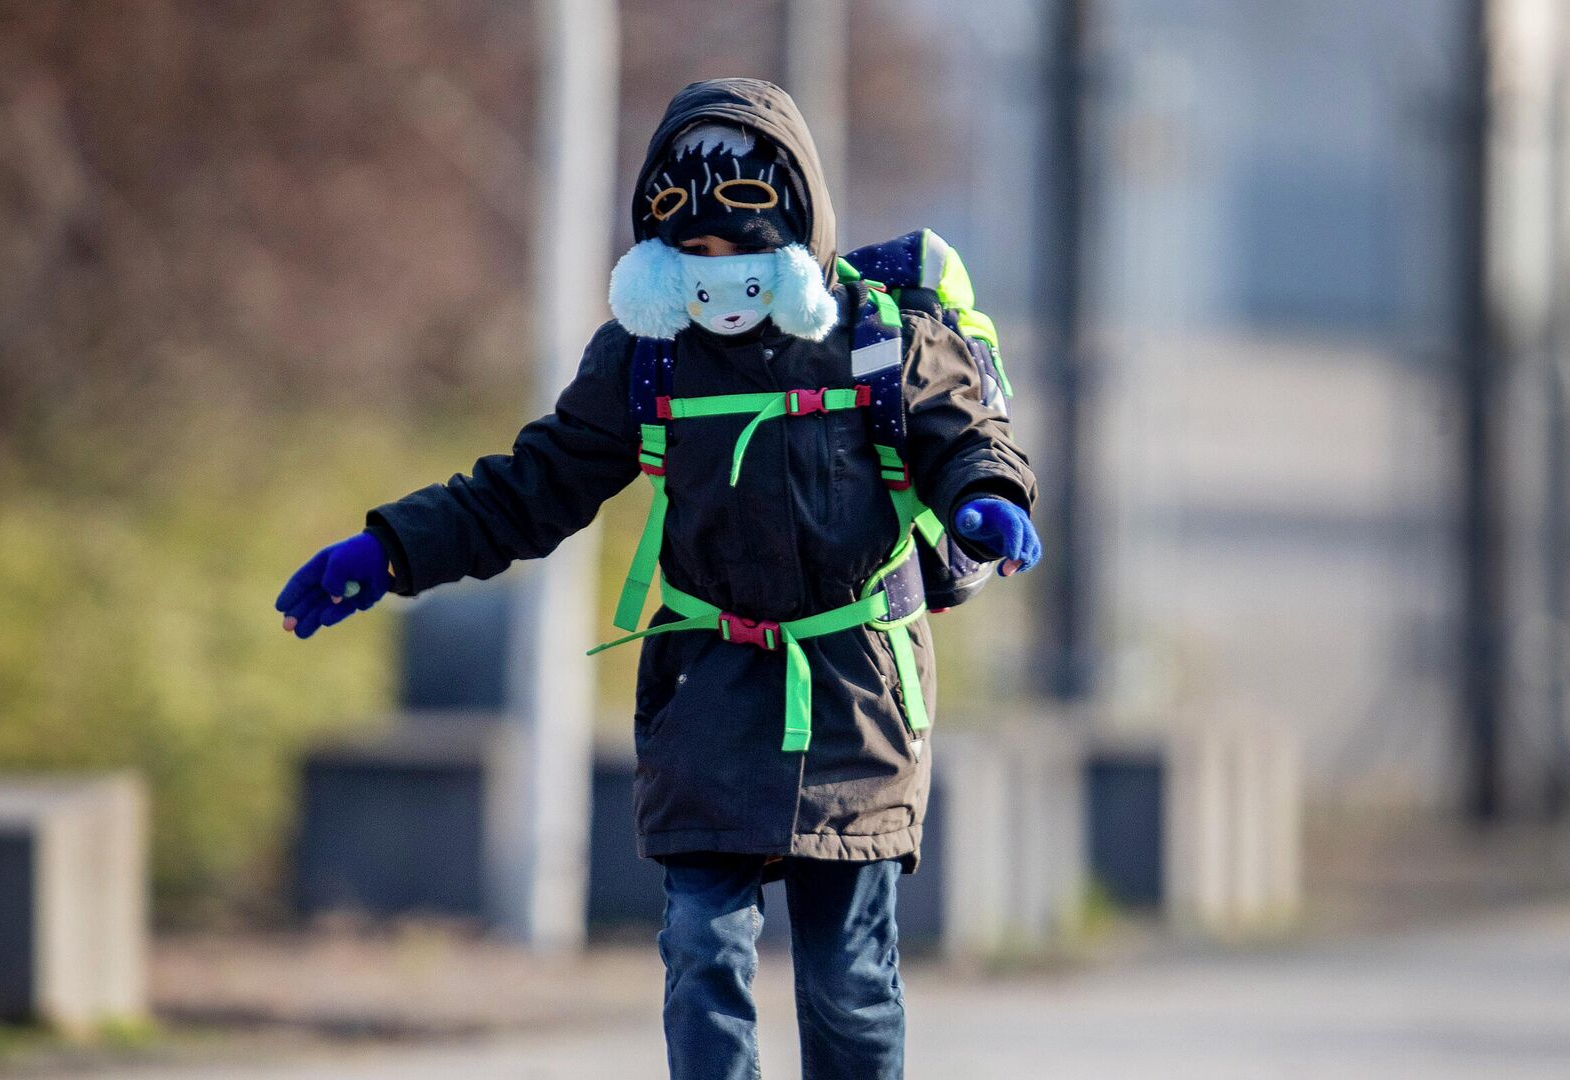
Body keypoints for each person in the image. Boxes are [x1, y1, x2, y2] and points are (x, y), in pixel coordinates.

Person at [277, 78, 1039, 1080]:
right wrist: (390, 551)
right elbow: (526, 491)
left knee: (847, 982)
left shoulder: (878, 338)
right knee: (700, 952)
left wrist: (990, 496)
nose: (715, 273)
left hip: (857, 688)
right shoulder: (649, 360)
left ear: (798, 234)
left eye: (740, 248)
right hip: (708, 688)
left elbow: (967, 436)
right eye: (693, 253)